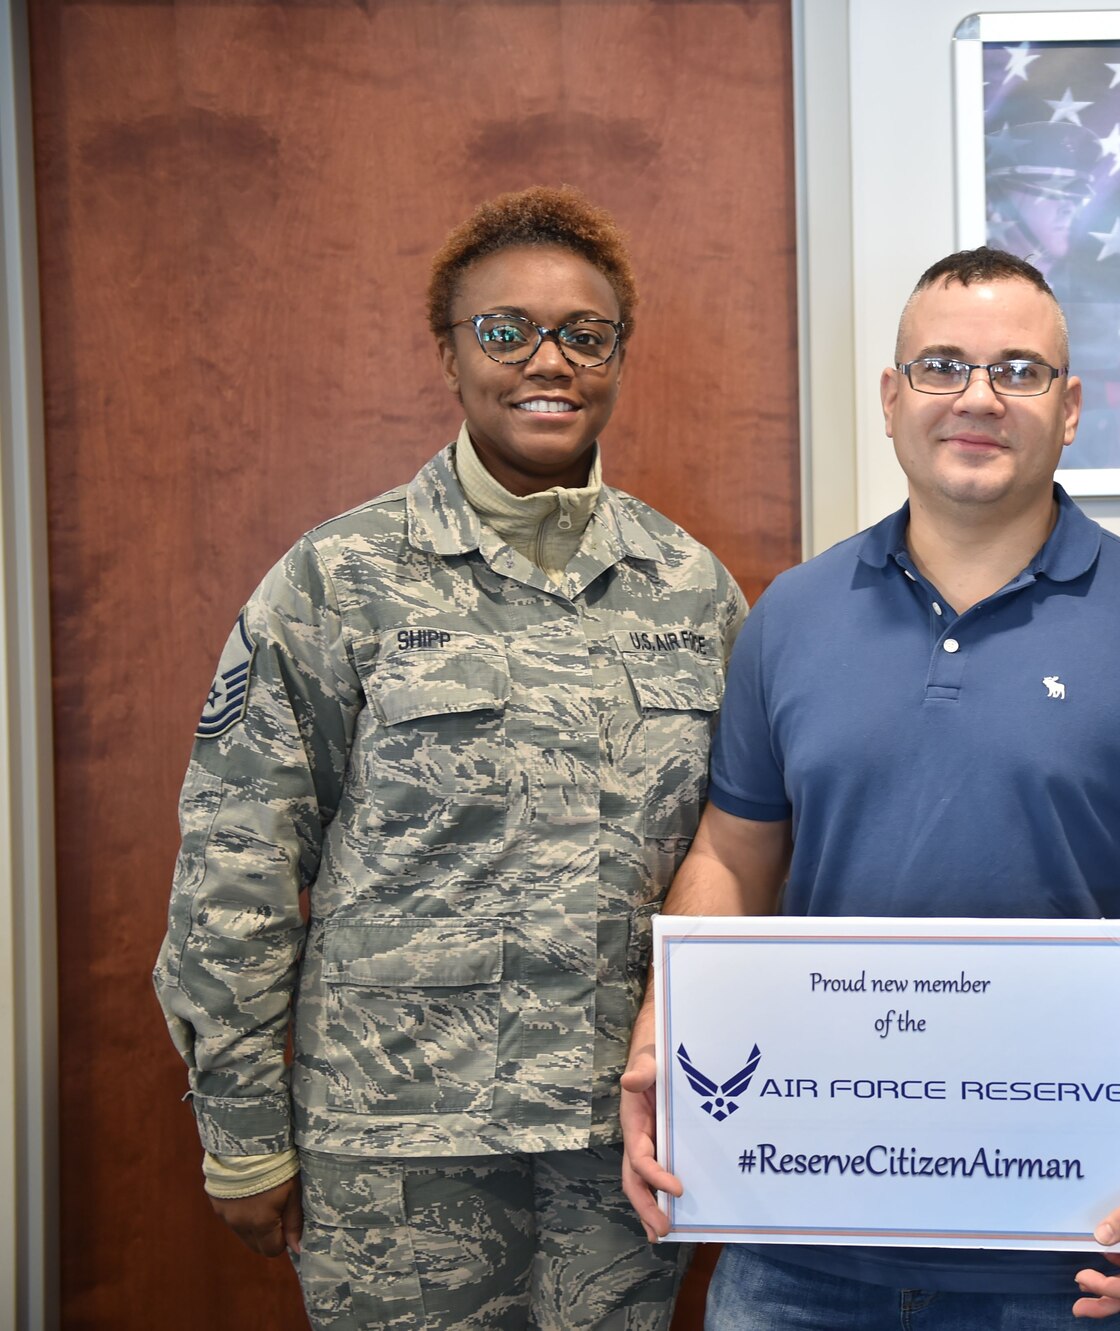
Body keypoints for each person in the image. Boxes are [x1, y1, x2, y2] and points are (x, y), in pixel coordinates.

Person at [618, 247, 1120, 1328]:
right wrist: (664, 1030)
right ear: (891, 399)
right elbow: (731, 857)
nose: (977, 396)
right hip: (797, 1237)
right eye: (941, 365)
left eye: (1018, 371)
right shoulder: (788, 616)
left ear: (1069, 409)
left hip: (1068, 1246)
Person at [153, 185, 742, 1329]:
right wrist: (239, 1131)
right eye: (505, 330)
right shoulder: (339, 580)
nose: (548, 361)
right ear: (449, 353)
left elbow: (736, 855)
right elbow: (238, 867)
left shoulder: (692, 589)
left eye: (585, 333)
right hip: (395, 1149)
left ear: (619, 354)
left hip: (620, 1148)